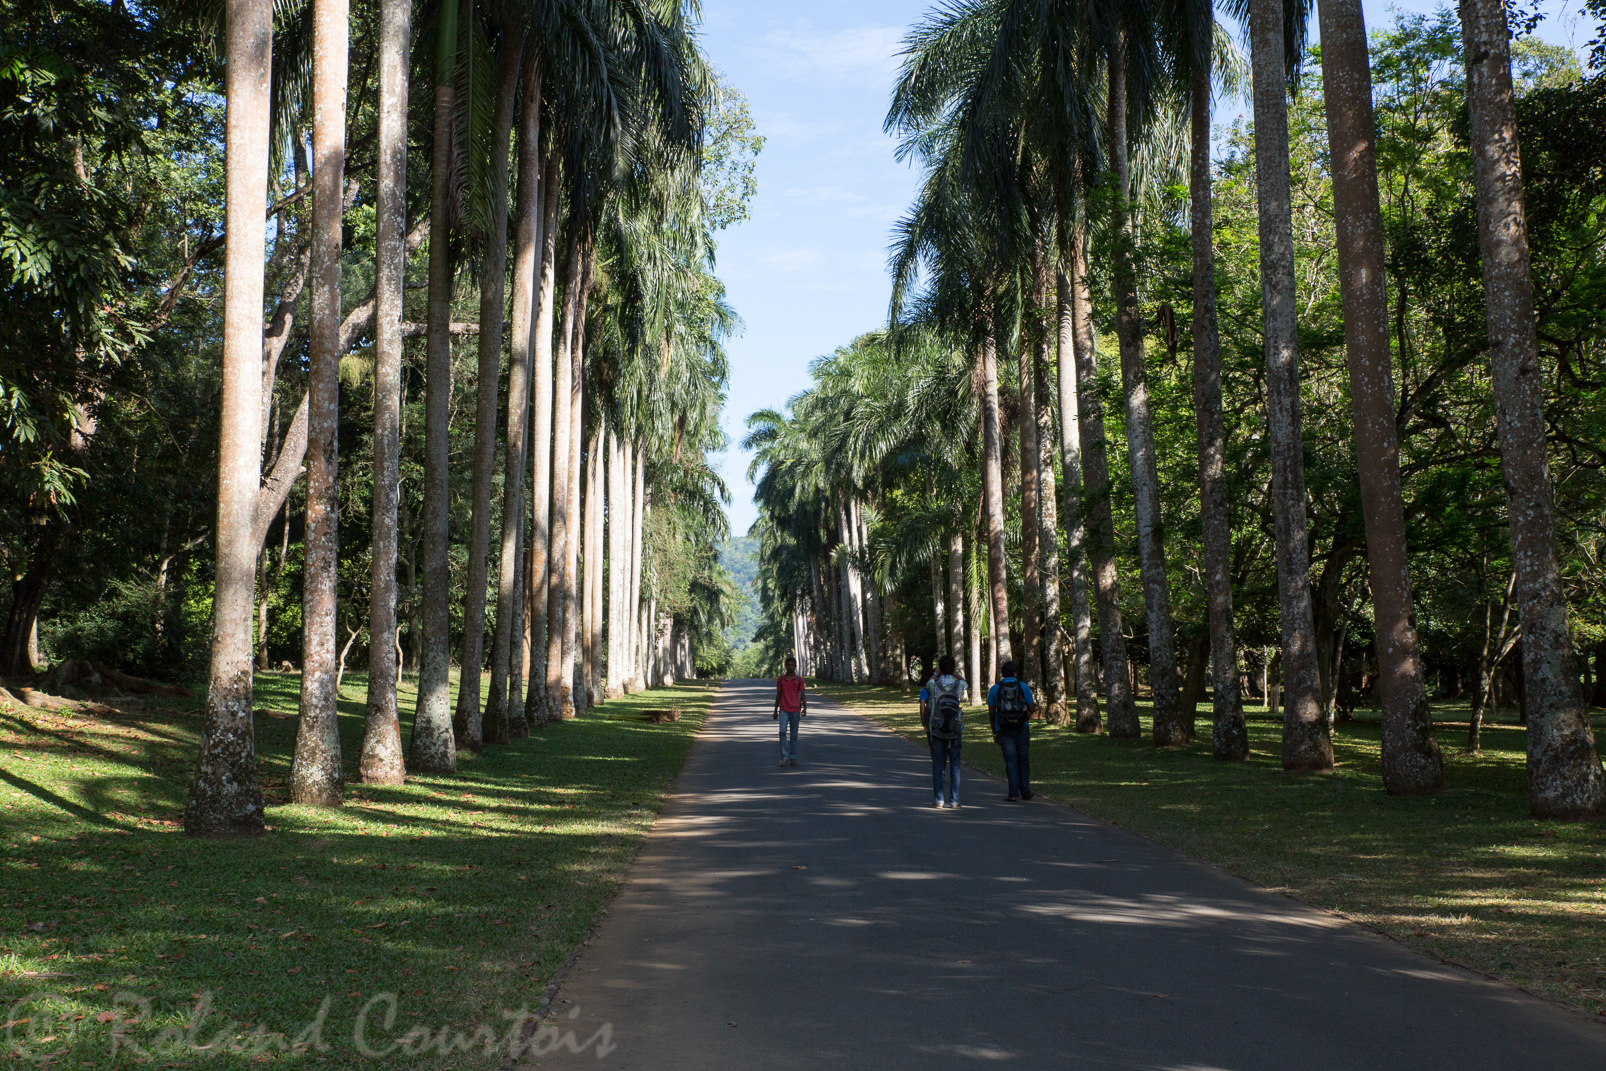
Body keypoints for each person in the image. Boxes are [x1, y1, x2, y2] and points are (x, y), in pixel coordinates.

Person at [920, 654, 967, 808]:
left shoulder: (933, 684)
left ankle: (938, 799)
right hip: (955, 728)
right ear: (953, 667)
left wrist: (937, 672)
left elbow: (928, 682)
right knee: (955, 764)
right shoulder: (958, 685)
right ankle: (955, 801)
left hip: (937, 727)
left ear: (939, 666)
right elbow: (965, 682)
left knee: (937, 763)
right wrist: (954, 672)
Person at [987, 660, 1036, 801]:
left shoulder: (995, 689)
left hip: (1003, 729)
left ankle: (1013, 793)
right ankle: (1026, 791)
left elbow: (991, 713)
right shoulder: (1023, 686)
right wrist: (1025, 716)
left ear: (1002, 674)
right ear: (1015, 673)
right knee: (1023, 759)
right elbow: (1032, 708)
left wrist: (994, 732)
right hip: (1022, 727)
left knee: (1010, 761)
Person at [773, 656, 807, 767]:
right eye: (789, 665)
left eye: (792, 665)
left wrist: (804, 708)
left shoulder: (799, 679)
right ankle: (784, 756)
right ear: (786, 666)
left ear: (795, 666)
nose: (790, 667)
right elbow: (778, 695)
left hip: (795, 710)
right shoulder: (781, 679)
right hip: (784, 709)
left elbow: (802, 694)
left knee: (793, 735)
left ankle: (793, 757)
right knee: (782, 732)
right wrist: (775, 710)